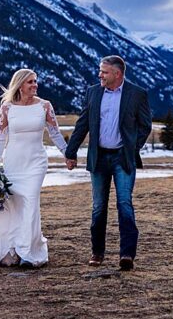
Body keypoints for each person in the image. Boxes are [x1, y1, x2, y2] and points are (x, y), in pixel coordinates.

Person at [64, 55, 152, 271]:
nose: (99, 75)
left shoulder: (137, 94)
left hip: (123, 158)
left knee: (124, 204)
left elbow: (145, 125)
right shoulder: (93, 92)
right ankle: (97, 252)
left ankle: (127, 255)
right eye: (100, 71)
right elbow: (83, 123)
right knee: (98, 207)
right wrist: (71, 151)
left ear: (117, 74)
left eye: (104, 72)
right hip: (99, 158)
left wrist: (132, 148)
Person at [0, 68, 68, 268]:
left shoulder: (45, 106)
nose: (35, 85)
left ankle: (28, 252)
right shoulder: (7, 108)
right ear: (20, 85)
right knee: (14, 206)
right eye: (30, 82)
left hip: (36, 162)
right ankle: (12, 250)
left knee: (31, 202)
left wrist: (67, 154)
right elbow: (1, 138)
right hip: (13, 163)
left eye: (35, 81)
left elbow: (55, 133)